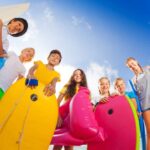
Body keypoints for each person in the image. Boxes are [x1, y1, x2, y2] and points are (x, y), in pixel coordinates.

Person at [53, 69, 88, 150]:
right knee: (58, 144)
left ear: (83, 77)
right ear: (72, 76)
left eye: (80, 74)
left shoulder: (84, 91)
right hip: (62, 118)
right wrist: (58, 117)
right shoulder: (67, 86)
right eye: (75, 74)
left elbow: (85, 108)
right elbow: (57, 102)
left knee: (69, 145)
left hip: (73, 120)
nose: (77, 75)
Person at [126, 57, 150, 150]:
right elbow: (135, 98)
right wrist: (137, 110)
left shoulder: (147, 68)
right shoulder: (133, 81)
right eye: (129, 66)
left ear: (136, 61)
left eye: (132, 63)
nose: (132, 66)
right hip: (145, 107)